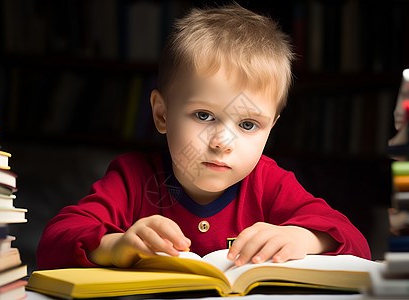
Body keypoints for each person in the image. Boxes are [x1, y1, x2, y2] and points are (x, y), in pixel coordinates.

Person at [36, 3, 371, 270]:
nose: (222, 142)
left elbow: (358, 244)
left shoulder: (271, 184)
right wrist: (114, 246)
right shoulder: (133, 179)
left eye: (249, 125)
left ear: (271, 128)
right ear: (162, 114)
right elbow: (54, 240)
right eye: (204, 115)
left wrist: (304, 238)